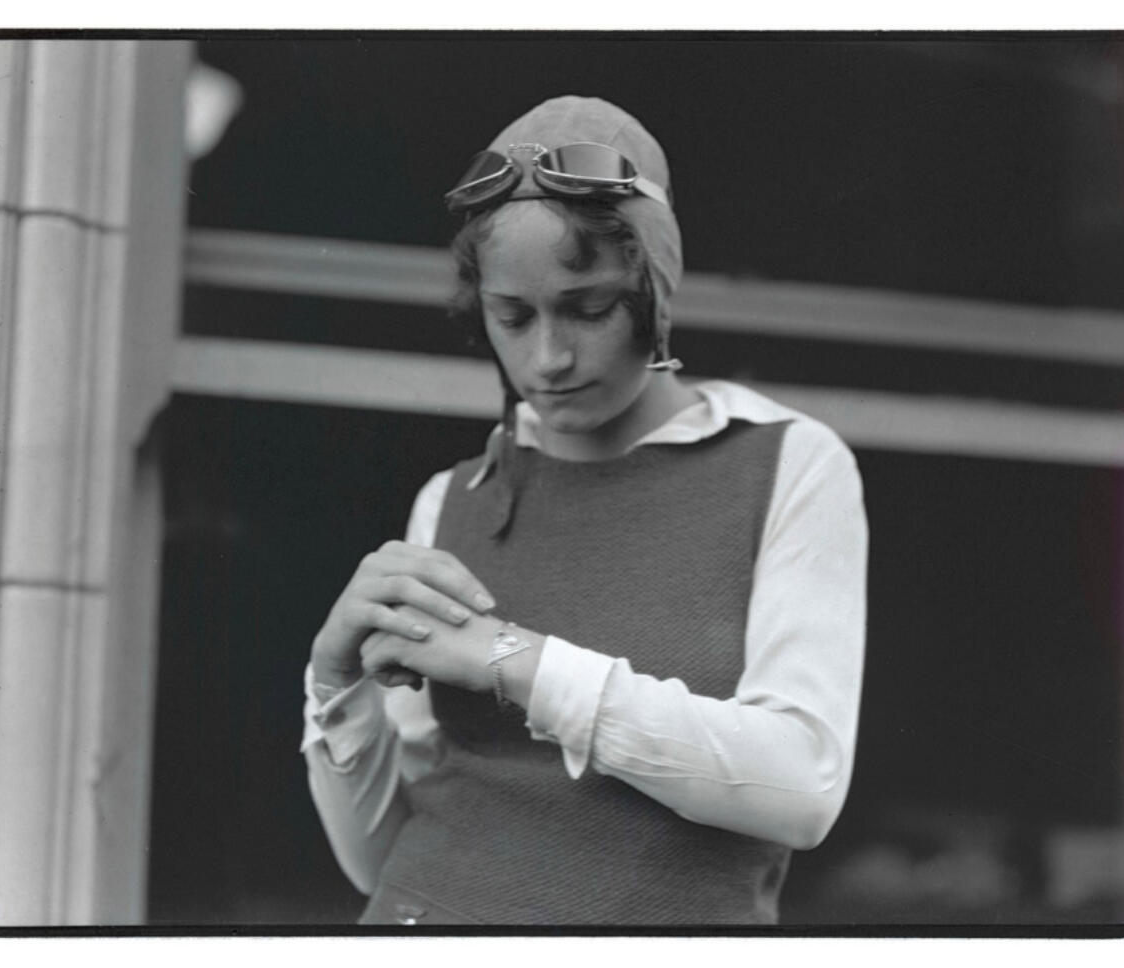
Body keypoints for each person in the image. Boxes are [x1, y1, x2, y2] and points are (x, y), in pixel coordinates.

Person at [301, 95, 868, 926]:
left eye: (589, 308)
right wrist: (333, 682)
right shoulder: (453, 498)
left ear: (655, 289)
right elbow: (378, 862)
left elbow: (801, 786)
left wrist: (513, 661)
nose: (549, 357)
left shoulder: (786, 463)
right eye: (512, 316)